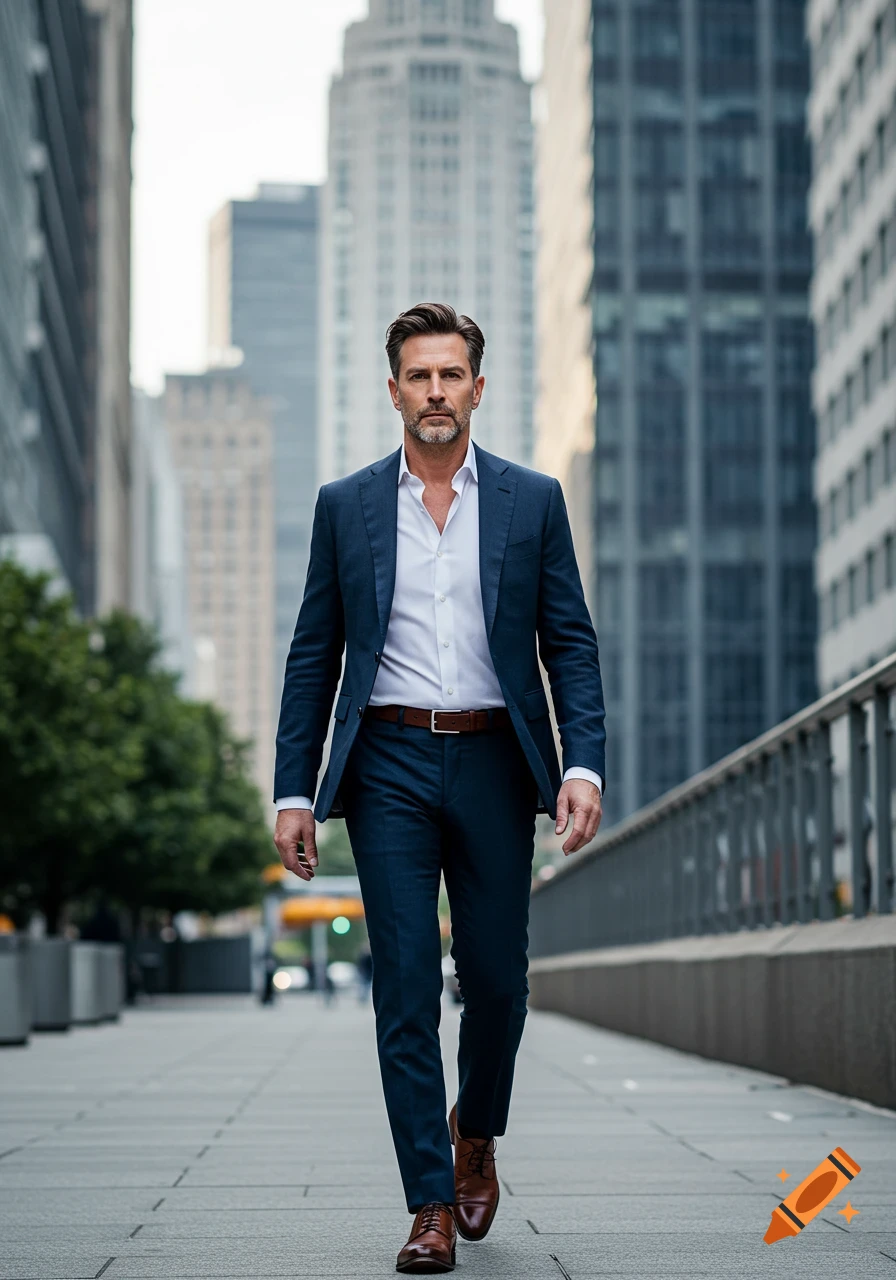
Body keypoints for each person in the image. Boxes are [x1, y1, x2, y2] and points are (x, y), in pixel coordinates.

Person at [273, 303, 606, 1274]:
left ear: (477, 387)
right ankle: (427, 1201)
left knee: (497, 982)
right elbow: (313, 654)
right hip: (386, 764)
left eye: (449, 374)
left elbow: (569, 644)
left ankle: (476, 1133)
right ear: (393, 391)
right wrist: (294, 788)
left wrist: (579, 764)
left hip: (498, 761)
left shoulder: (531, 500)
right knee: (407, 984)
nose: (434, 391)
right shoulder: (345, 506)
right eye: (417, 376)